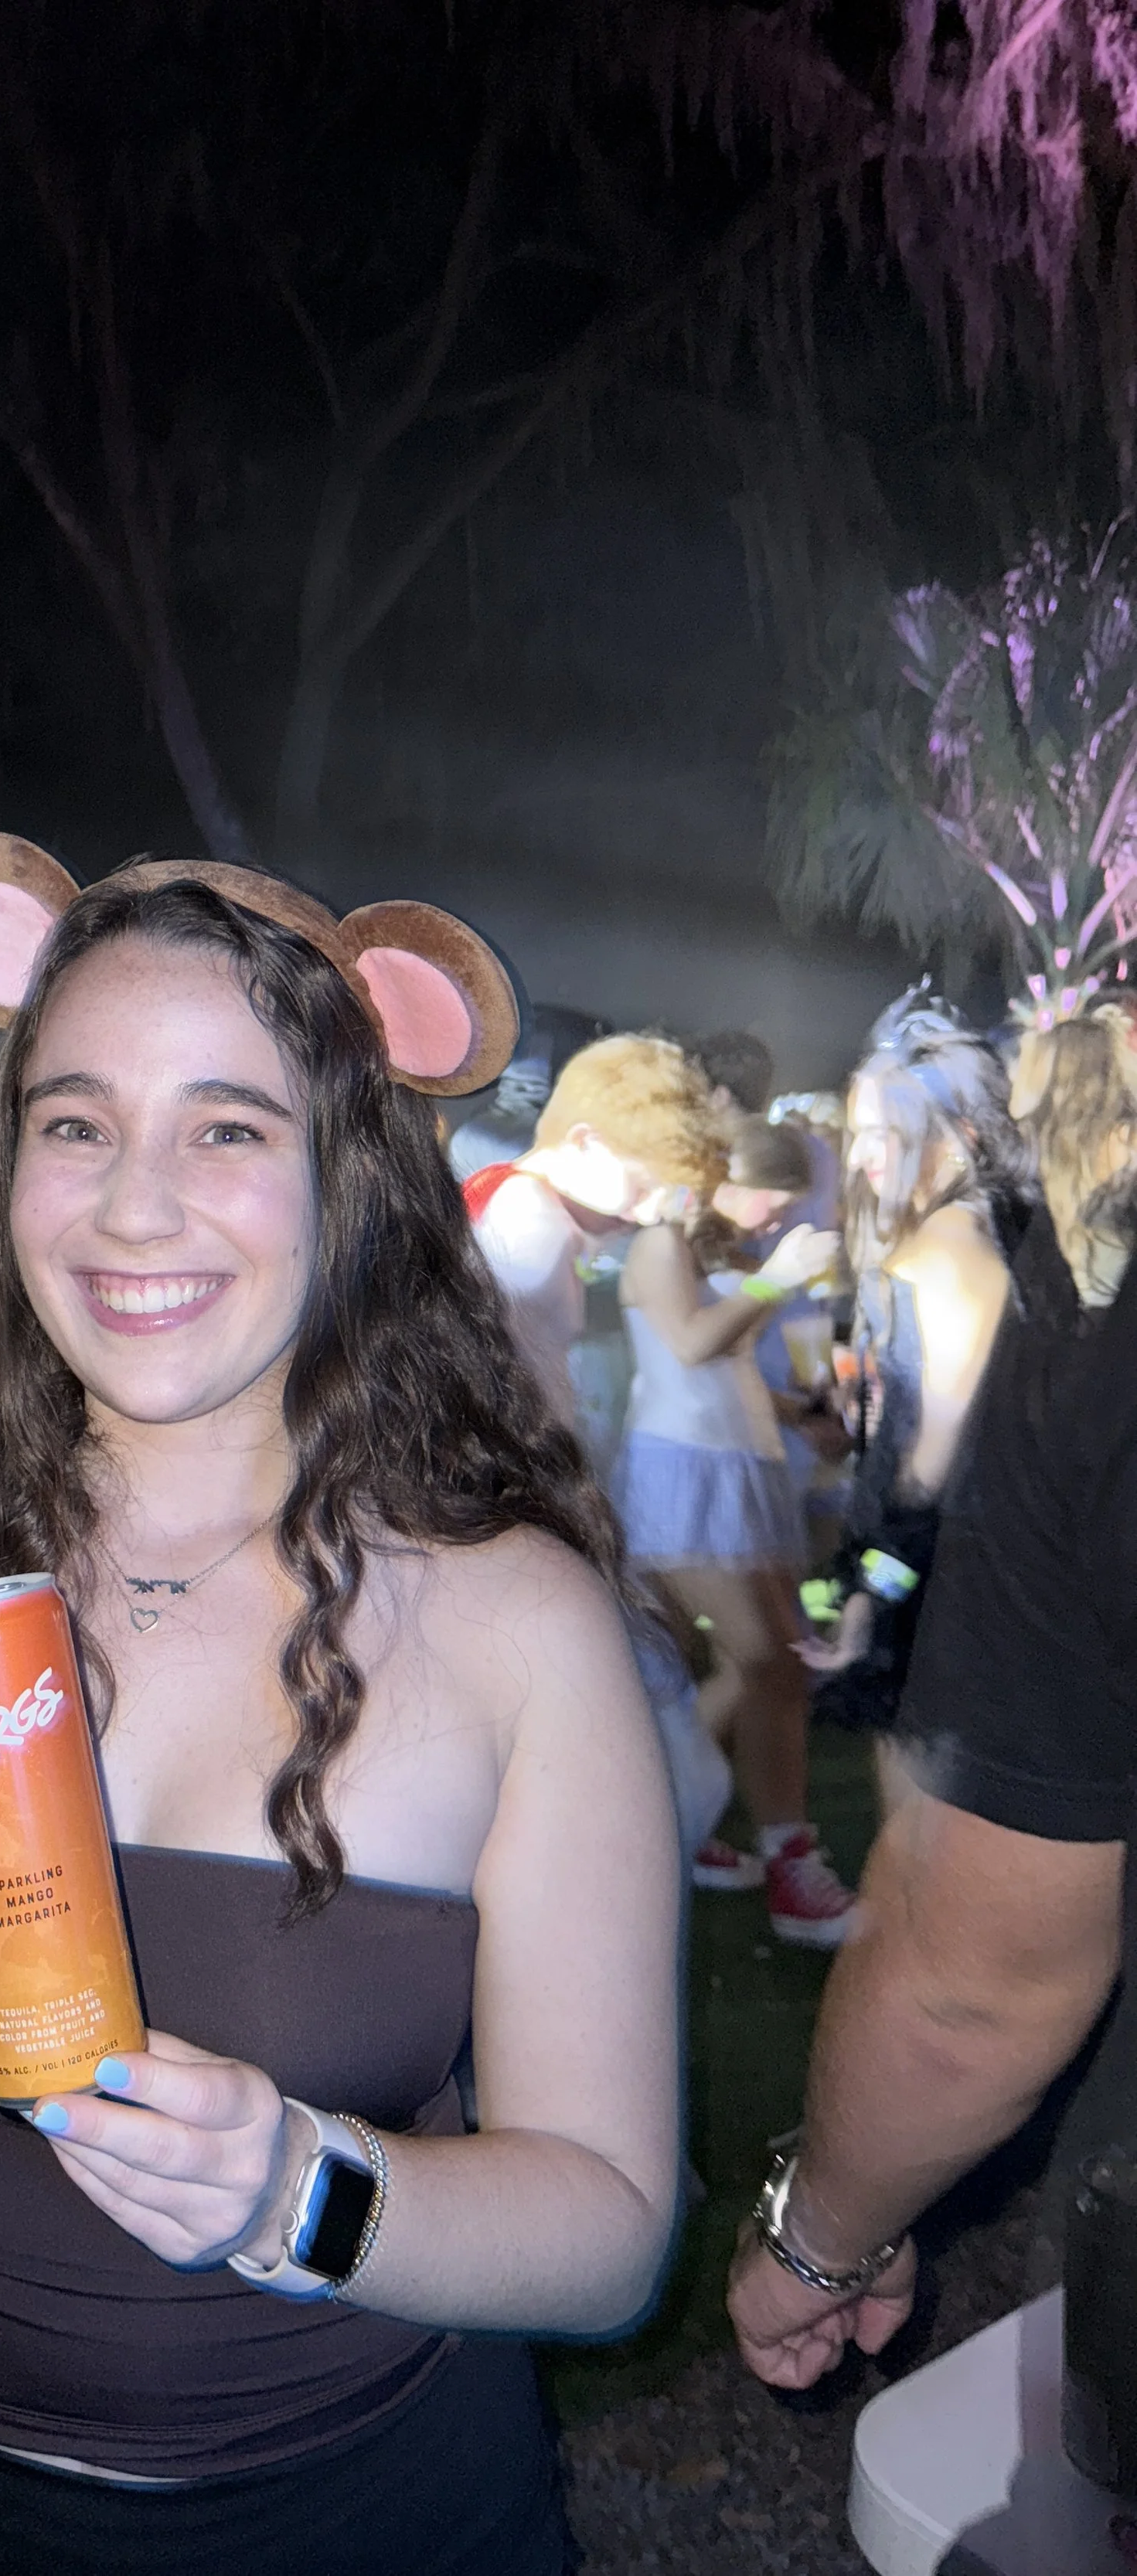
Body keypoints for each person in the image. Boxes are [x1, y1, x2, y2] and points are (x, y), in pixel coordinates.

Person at [0, 836, 680, 2576]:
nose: (132, 1205)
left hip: (367, 2526)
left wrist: (302, 2192)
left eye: (227, 1128)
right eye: (77, 1121)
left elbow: (611, 2227)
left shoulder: (513, 1621)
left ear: (349, 1176)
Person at [725, 998, 1137, 2391]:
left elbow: (920, 1485)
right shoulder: (995, 1260)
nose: (869, 1146)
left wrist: (860, 1603)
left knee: (951, 1863)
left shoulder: (1000, 1271)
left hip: (979, 1604)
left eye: (888, 1123)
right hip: (997, 1606)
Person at [614, 1111, 853, 1943]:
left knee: (737, 1671)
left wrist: (804, 1416)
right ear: (724, 1178)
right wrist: (774, 1279)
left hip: (741, 1470)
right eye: (765, 1198)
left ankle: (685, 1830)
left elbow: (733, 1365)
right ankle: (778, 1859)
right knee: (760, 1662)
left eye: (784, 1206)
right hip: (680, 1474)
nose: (773, 1217)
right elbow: (684, 1345)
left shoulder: (730, 1256)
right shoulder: (659, 1246)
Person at [793, 997, 1025, 1811]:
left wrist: (871, 1590)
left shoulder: (956, 1254)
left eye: (879, 1139)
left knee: (923, 1838)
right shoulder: (946, 1239)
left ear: (957, 1134)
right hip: (926, 1565)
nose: (860, 1162)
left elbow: (940, 1456)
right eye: (855, 1138)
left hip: (944, 1580)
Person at [465, 1033, 727, 1440]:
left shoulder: (512, 1190)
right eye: (643, 1187)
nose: (652, 1211)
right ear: (585, 1142)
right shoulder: (533, 1222)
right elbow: (491, 1385)